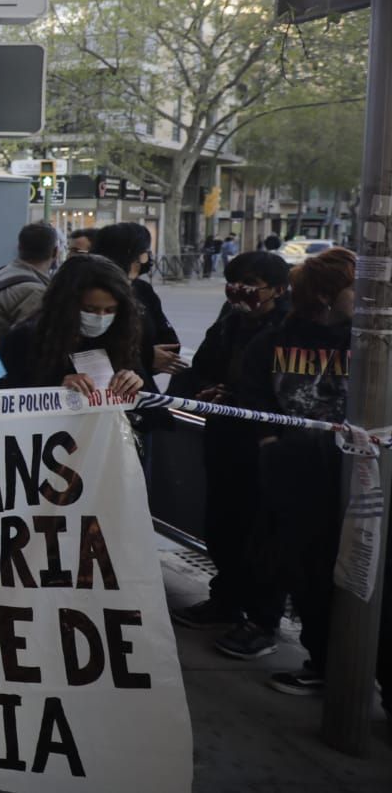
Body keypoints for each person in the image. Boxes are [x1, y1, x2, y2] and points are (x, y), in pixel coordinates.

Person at [237, 248, 356, 695]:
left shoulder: (369, 341)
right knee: (308, 572)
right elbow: (252, 395)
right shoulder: (275, 340)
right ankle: (324, 662)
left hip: (358, 477)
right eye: (352, 288)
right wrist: (272, 445)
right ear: (325, 294)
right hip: (297, 479)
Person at [170, 251, 292, 656]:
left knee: (262, 535)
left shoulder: (290, 329)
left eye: (251, 284)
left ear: (279, 289)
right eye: (234, 282)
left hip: (267, 447)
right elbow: (200, 367)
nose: (239, 291)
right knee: (222, 524)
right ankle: (226, 601)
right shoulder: (229, 321)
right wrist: (203, 390)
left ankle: (262, 620)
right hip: (225, 440)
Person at [0, 254, 145, 398]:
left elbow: (149, 402)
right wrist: (56, 390)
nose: (100, 317)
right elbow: (3, 397)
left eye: (110, 310)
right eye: (89, 309)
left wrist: (133, 381)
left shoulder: (120, 334)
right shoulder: (24, 339)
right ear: (66, 306)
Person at [93, 222, 184, 387]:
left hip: (139, 385)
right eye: (145, 251)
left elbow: (169, 342)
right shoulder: (90, 291)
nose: (148, 256)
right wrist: (146, 356)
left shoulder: (143, 290)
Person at [0, 223, 60, 345]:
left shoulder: (1, 273)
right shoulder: (35, 292)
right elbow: (31, 344)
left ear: (19, 247)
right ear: (55, 252)